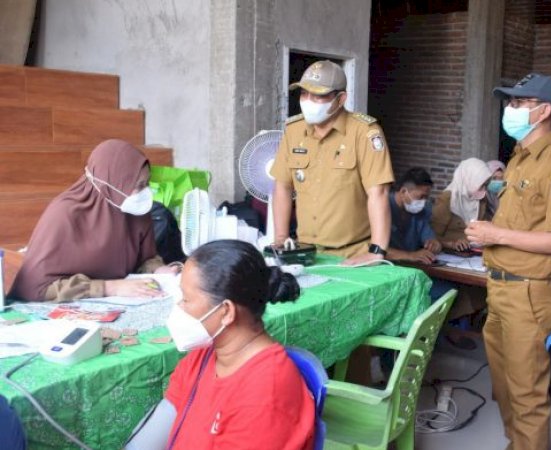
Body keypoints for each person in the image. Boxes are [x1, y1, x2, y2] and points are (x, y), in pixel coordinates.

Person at [466, 72, 551, 450]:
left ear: (543, 111)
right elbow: (522, 218)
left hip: (528, 295)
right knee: (503, 386)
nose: (510, 109)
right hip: (501, 288)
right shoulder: (519, 159)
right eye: (510, 102)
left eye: (519, 103)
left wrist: (496, 235)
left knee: (527, 395)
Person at [131, 240, 315, 450]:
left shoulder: (265, 393)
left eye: (186, 299)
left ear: (226, 311)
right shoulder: (202, 359)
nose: (178, 308)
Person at [10, 139, 179, 302]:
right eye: (139, 185)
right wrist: (108, 288)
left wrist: (158, 269)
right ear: (112, 184)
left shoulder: (136, 211)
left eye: (147, 183)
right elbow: (34, 287)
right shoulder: (65, 214)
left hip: (125, 301)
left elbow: (145, 257)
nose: (146, 192)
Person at [270, 60, 394, 266]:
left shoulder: (364, 132)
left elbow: (378, 193)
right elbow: (282, 186)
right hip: (305, 253)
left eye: (318, 95)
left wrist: (377, 250)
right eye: (303, 93)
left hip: (352, 255)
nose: (308, 100)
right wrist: (281, 239)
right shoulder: (293, 130)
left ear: (340, 99)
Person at [431, 158, 493, 252]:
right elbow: (432, 236)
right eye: (481, 185)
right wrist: (452, 243)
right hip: (448, 254)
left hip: (472, 253)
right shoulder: (447, 199)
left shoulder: (481, 199)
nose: (484, 189)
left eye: (486, 185)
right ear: (469, 179)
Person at [385, 168, 442, 264]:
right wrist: (409, 256)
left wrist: (435, 245)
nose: (423, 202)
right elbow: (373, 248)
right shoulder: (383, 207)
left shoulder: (422, 211)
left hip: (413, 266)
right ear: (403, 191)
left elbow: (430, 238)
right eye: (421, 197)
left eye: (426, 197)